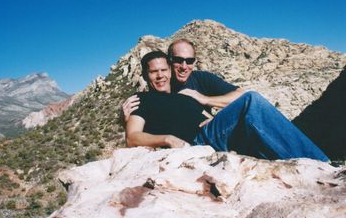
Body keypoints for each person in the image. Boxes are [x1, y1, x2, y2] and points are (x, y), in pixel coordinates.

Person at [125, 50, 329, 161]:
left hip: (212, 133)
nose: (160, 75)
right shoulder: (142, 99)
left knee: (256, 123)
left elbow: (205, 117)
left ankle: (308, 163)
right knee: (251, 100)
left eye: (163, 70)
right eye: (153, 72)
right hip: (197, 143)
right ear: (144, 75)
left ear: (169, 71)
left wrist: (210, 118)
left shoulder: (184, 95)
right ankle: (322, 163)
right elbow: (133, 137)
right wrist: (168, 139)